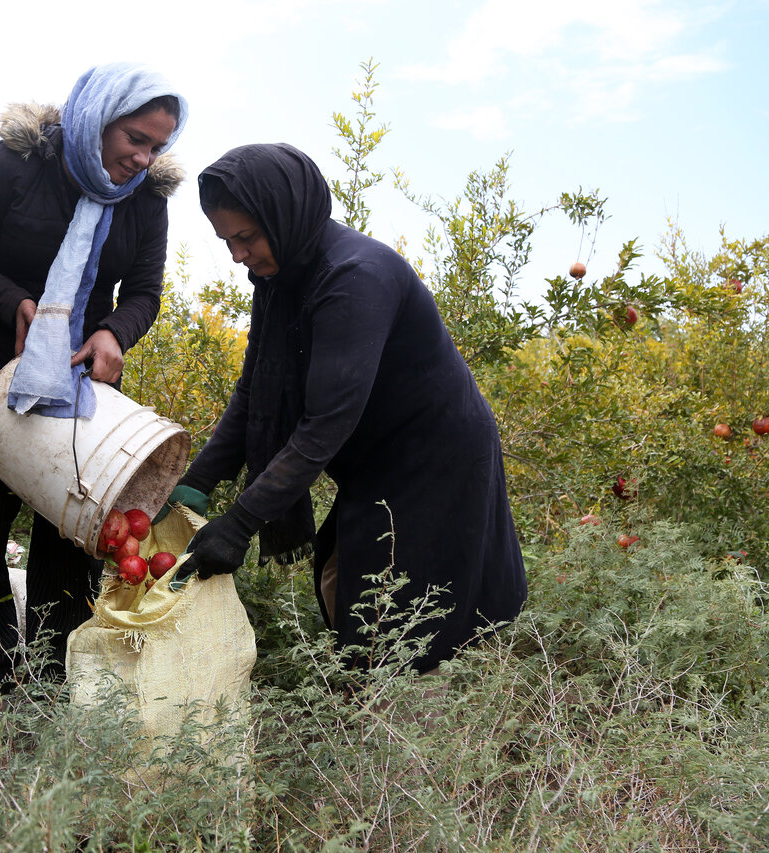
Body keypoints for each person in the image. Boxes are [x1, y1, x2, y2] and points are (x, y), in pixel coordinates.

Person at [171, 143, 526, 675]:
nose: (238, 255)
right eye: (227, 242)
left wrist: (240, 522)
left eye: (246, 237)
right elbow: (255, 393)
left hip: (433, 456)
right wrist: (196, 483)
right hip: (374, 457)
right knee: (348, 581)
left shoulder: (354, 278)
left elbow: (326, 422)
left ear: (284, 215)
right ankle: (374, 706)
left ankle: (413, 725)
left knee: (403, 601)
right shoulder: (279, 276)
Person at [0, 63, 188, 704]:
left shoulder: (146, 200)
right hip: (1, 365)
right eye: (134, 137)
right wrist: (13, 302)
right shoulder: (17, 164)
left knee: (72, 520)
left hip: (82, 378)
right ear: (99, 118)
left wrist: (114, 333)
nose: (143, 156)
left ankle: (52, 679)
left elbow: (146, 292)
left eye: (156, 146)